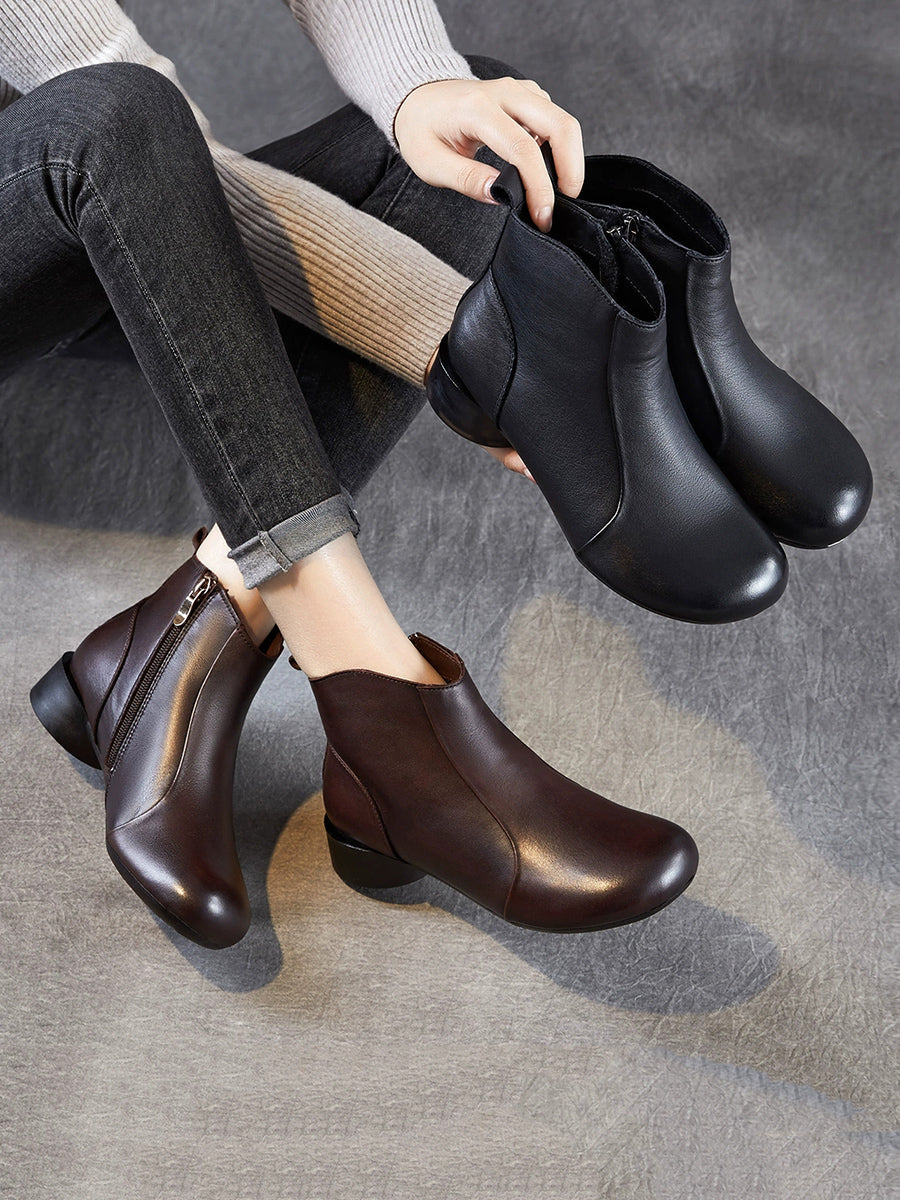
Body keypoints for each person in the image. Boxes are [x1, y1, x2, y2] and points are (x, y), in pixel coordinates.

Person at [3, 0, 698, 948]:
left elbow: (172, 165)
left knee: (473, 147)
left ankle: (176, 650)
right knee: (115, 116)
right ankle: (385, 720)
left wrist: (418, 86)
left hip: (78, 204)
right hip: (49, 178)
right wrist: (458, 347)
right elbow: (106, 111)